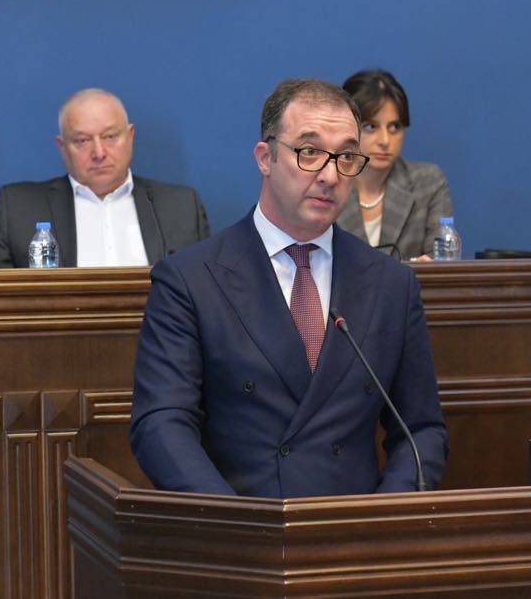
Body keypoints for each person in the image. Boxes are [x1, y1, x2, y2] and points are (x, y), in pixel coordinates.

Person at [130, 78, 448, 498]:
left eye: (346, 157)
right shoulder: (190, 279)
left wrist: (383, 516)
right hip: (242, 523)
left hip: (353, 525)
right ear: (266, 158)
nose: (330, 175)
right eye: (310, 152)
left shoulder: (391, 284)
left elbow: (421, 430)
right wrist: (231, 521)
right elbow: (161, 423)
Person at [0, 88, 209, 268]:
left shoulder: (180, 207)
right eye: (82, 141)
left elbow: (207, 292)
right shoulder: (19, 210)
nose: (99, 153)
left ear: (130, 136)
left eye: (110, 136)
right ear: (62, 147)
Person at [336, 69, 453, 260]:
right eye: (371, 127)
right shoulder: (327, 182)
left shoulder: (427, 183)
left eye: (395, 127)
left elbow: (441, 262)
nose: (385, 140)